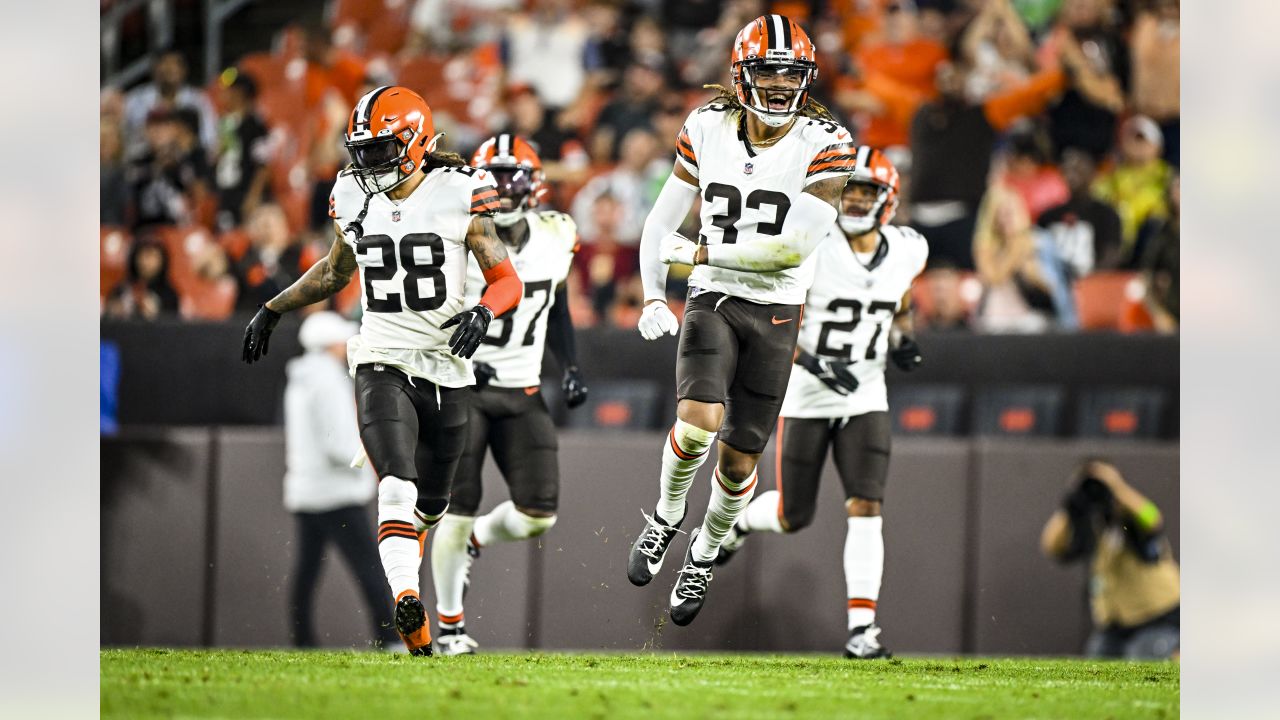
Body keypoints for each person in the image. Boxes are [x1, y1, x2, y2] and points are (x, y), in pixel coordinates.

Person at [241, 86, 524, 656]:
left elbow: (507, 281)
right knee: (394, 483)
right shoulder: (350, 192)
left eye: (380, 149)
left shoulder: (461, 192)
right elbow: (333, 272)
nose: (367, 164)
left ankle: (406, 588)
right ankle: (406, 607)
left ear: (417, 142)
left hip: (446, 368)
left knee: (433, 505)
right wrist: (274, 307)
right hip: (380, 359)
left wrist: (483, 310)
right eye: (361, 151)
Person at [626, 15, 856, 627]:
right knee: (697, 420)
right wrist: (654, 295)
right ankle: (667, 515)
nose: (780, 87)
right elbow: (661, 220)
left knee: (738, 464)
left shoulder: (827, 141)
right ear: (740, 74)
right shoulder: (706, 126)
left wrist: (698, 251)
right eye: (769, 72)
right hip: (715, 298)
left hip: (777, 306)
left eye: (791, 75)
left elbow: (791, 249)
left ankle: (703, 551)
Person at [714, 149, 926, 659]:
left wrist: (903, 338)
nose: (855, 199)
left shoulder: (909, 249)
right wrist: (812, 361)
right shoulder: (814, 245)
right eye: (850, 189)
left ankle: (862, 630)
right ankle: (740, 521)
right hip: (806, 396)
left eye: (866, 191)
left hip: (865, 394)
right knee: (792, 514)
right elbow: (775, 319)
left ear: (888, 200)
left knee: (867, 506)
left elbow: (900, 303)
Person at [430, 135, 588, 655]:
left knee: (538, 513)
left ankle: (476, 544)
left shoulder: (558, 233)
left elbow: (558, 305)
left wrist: (569, 365)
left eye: (511, 175)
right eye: (492, 176)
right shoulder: (458, 235)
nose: (502, 186)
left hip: (522, 387)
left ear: (534, 182)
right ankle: (450, 627)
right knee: (457, 507)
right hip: (464, 384)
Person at [283, 311, 399, 650]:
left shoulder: (302, 377)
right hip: (336, 492)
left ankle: (302, 640)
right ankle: (389, 636)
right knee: (370, 568)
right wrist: (370, 458)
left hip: (308, 490)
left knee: (306, 572)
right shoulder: (326, 380)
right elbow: (339, 444)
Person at [1040, 459, 1180, 660]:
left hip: (1157, 615)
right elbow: (1050, 546)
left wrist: (1116, 487)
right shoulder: (1089, 523)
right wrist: (1072, 504)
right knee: (1097, 666)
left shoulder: (1130, 514)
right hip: (1115, 623)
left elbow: (1153, 518)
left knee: (1144, 659)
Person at [122, 48, 219, 158]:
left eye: (175, 64)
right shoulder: (136, 99)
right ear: (155, 69)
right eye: (164, 64)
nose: (169, 68)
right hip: (144, 162)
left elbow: (209, 140)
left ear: (184, 70)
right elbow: (124, 138)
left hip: (188, 162)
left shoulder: (198, 100)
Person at [103, 235, 180, 320]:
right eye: (142, 255)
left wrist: (156, 314)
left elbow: (172, 326)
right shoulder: (121, 289)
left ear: (162, 260)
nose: (146, 262)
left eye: (152, 256)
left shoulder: (170, 295)